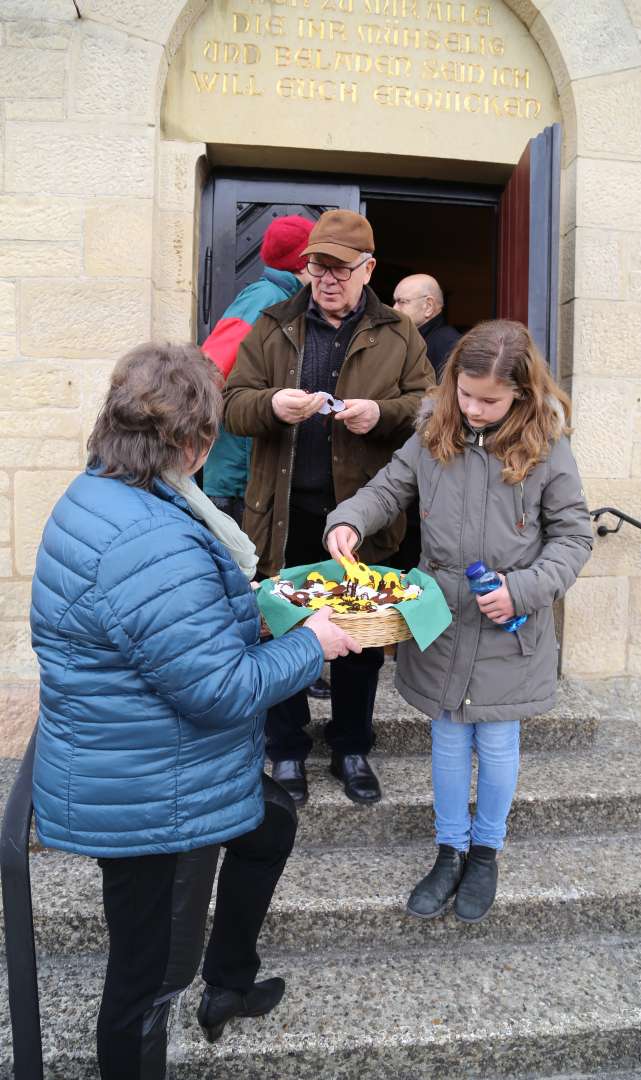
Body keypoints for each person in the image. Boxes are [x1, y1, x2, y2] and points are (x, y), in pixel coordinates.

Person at [30, 343, 359, 1080]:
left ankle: (230, 984)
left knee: (269, 826)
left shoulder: (108, 492)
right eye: (212, 435)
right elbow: (221, 688)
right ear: (190, 440)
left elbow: (171, 622)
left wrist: (264, 607)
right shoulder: (151, 535)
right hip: (155, 791)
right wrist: (315, 644)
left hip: (146, 755)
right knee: (147, 981)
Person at [326, 320, 593, 923]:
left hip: (509, 628)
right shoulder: (433, 425)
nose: (473, 408)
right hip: (440, 617)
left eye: (489, 400)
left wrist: (522, 590)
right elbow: (388, 488)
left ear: (521, 394)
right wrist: (349, 519)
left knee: (497, 743)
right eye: (466, 394)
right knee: (447, 738)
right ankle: (449, 850)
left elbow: (574, 539)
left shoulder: (549, 445)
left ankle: (486, 852)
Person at [224, 209, 435, 806]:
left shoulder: (399, 333)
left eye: (341, 267)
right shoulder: (272, 322)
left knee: (361, 640)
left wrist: (381, 415)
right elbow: (230, 404)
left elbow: (428, 408)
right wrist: (270, 405)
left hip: (361, 519)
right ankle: (285, 750)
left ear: (368, 270)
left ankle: (351, 747)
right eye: (318, 265)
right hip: (283, 514)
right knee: (284, 629)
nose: (327, 278)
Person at [201, 214, 330, 701]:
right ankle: (271, 673)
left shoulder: (273, 297)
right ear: (304, 262)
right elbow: (210, 369)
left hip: (242, 470)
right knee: (252, 585)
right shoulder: (267, 302)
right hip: (238, 475)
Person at [393, 273, 461, 378]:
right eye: (395, 302)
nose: (394, 309)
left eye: (402, 302)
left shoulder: (448, 346)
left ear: (428, 306)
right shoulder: (415, 339)